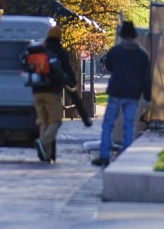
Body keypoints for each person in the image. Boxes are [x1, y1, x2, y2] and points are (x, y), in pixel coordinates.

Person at [92, 19, 151, 167]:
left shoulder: (116, 51)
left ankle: (104, 155)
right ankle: (126, 156)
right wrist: (148, 97)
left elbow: (109, 66)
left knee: (108, 124)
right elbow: (146, 77)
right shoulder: (142, 54)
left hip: (116, 92)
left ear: (122, 35)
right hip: (133, 94)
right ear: (135, 36)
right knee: (128, 125)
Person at [23, 25, 80, 163]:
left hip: (36, 91)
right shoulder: (58, 52)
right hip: (51, 92)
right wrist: (72, 83)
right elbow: (67, 71)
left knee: (43, 122)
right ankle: (43, 141)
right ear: (59, 37)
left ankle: (46, 155)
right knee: (55, 121)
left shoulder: (39, 49)